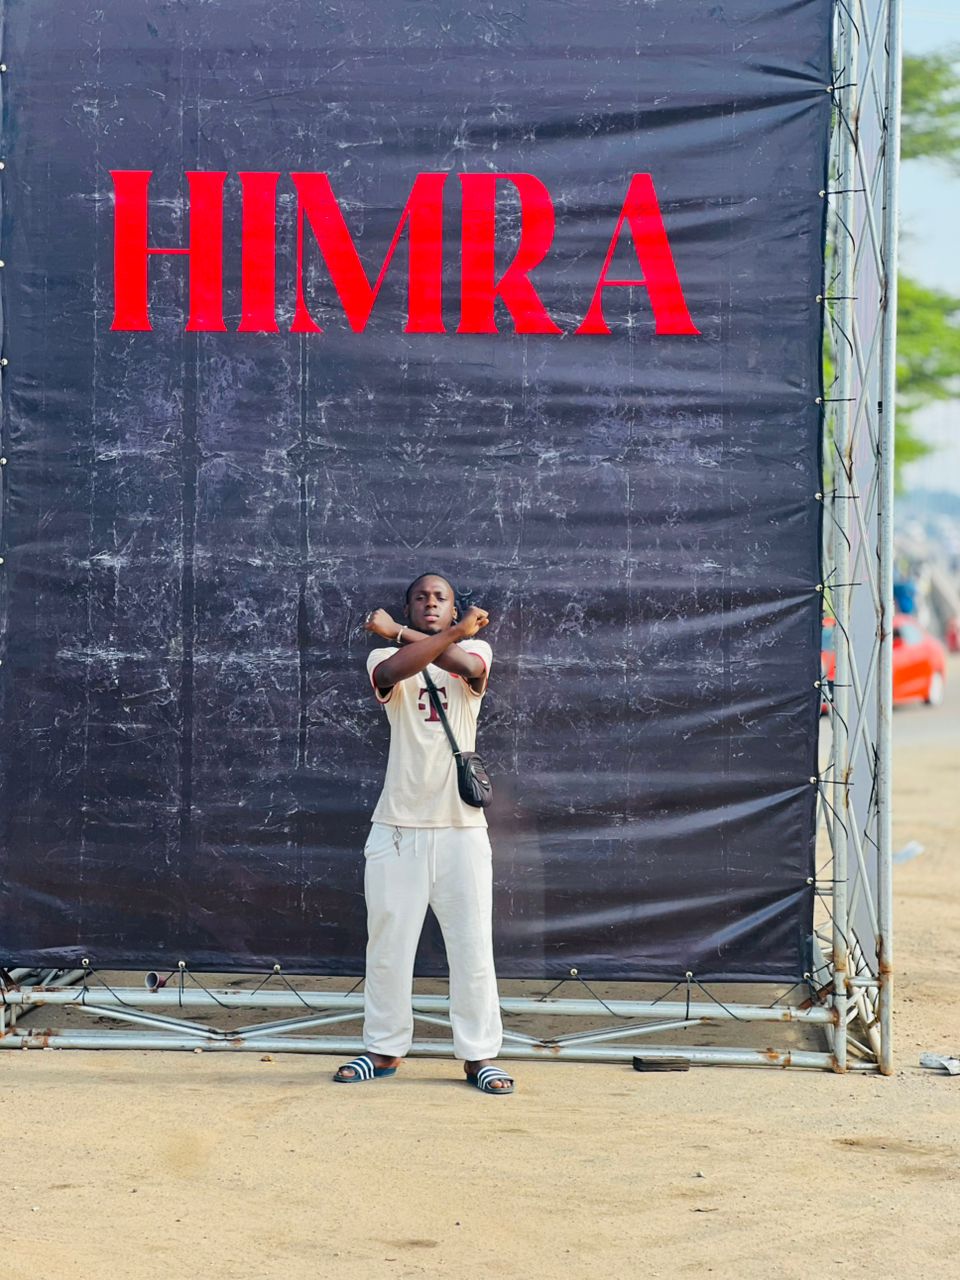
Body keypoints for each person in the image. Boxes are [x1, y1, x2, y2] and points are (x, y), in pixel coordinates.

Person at [333, 572, 514, 1095]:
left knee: (472, 946)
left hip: (461, 829)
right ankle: (384, 1049)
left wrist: (404, 630)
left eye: (441, 599)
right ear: (409, 608)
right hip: (396, 827)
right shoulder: (384, 656)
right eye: (421, 598)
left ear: (453, 608)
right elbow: (395, 668)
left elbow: (463, 666)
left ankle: (479, 1055)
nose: (430, 604)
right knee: (388, 947)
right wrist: (425, 634)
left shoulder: (475, 650)